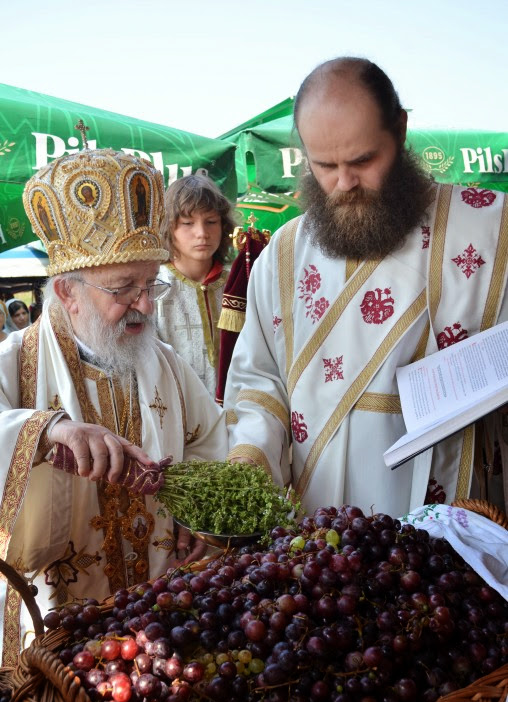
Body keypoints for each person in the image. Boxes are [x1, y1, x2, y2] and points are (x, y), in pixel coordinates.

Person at [224, 56, 508, 520]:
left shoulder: (491, 228)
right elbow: (259, 381)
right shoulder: (283, 254)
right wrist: (250, 460)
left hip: (456, 517)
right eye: (324, 165)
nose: (344, 183)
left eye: (362, 160)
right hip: (320, 531)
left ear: (399, 130)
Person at [0, 147, 228, 665]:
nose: (144, 305)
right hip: (54, 629)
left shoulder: (165, 363)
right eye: (124, 288)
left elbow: (210, 440)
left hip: (158, 621)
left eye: (151, 285)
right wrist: (44, 431)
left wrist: (197, 513)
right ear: (67, 292)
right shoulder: (14, 364)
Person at [156, 173, 237, 397]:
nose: (202, 233)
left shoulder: (239, 284)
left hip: (237, 407)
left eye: (211, 222)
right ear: (169, 228)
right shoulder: (154, 289)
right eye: (187, 223)